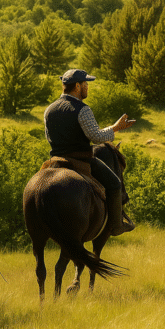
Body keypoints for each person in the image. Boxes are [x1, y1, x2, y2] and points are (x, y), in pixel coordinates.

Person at [44, 68, 136, 236]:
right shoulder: (82, 109)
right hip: (81, 160)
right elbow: (96, 137)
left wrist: (114, 127)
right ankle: (116, 225)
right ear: (77, 86)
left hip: (55, 160)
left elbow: (48, 136)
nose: (87, 87)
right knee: (115, 184)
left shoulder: (49, 109)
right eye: (86, 83)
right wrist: (116, 129)